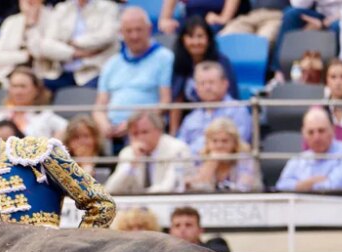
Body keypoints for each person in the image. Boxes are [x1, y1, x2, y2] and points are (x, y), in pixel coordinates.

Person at [93, 7, 174, 149]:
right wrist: (105, 125)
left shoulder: (164, 57)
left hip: (145, 131)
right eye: (129, 31)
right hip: (113, 133)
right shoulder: (111, 63)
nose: (134, 36)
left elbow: (165, 102)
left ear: (149, 29)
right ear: (121, 33)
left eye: (139, 30)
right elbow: (99, 107)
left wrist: (133, 123)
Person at [170, 15, 239, 128]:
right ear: (183, 39)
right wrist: (174, 133)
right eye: (190, 37)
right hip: (191, 122)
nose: (196, 42)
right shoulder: (180, 62)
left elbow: (231, 95)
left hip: (221, 120)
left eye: (200, 36)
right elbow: (177, 100)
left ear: (208, 39)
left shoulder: (222, 62)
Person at [276, 106, 342, 191]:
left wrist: (300, 186)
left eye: (321, 131)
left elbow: (332, 189)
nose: (316, 138)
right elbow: (281, 187)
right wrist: (312, 181)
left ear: (333, 130)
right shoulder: (298, 160)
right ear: (303, 134)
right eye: (311, 132)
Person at [37, 0, 120, 92]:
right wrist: (74, 53)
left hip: (94, 72)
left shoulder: (109, 7)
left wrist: (75, 42)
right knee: (34, 87)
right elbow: (46, 45)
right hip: (61, 72)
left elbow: (107, 36)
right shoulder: (62, 9)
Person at [104, 110, 192, 194]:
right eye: (135, 133)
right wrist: (132, 164)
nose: (140, 137)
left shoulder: (177, 149)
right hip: (136, 207)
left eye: (144, 132)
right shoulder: (128, 153)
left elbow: (170, 187)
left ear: (159, 131)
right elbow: (111, 189)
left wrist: (142, 199)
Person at [175, 61, 252, 153]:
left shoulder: (239, 111)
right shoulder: (190, 119)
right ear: (196, 88)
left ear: (225, 84)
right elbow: (179, 150)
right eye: (202, 83)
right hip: (194, 166)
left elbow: (238, 145)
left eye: (211, 82)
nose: (207, 87)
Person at [0, 0, 51, 91]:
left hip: (40, 76)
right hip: (6, 75)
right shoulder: (11, 22)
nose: (28, 1)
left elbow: (38, 52)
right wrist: (25, 56)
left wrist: (31, 24)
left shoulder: (52, 19)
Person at [269, 0, 342, 82]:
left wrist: (323, 24)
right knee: (290, 14)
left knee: (336, 26)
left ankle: (332, 75)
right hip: (322, 15)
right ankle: (279, 73)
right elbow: (298, 4)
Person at [0, 66, 67, 139]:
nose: (18, 92)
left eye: (23, 86)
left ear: (36, 90)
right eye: (14, 86)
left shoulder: (45, 116)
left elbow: (67, 128)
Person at [185, 117, 263, 192]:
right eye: (214, 141)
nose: (219, 146)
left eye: (224, 141)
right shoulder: (199, 159)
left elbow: (245, 188)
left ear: (234, 143)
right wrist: (211, 164)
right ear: (207, 143)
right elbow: (194, 188)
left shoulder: (245, 159)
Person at [219, 0, 290, 44]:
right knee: (225, 37)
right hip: (252, 15)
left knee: (263, 42)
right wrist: (224, 18)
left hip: (276, 15)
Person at [158, 0, 236, 33]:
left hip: (218, 19)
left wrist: (223, 18)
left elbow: (224, 20)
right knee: (169, 29)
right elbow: (164, 20)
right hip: (192, 17)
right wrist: (165, 19)